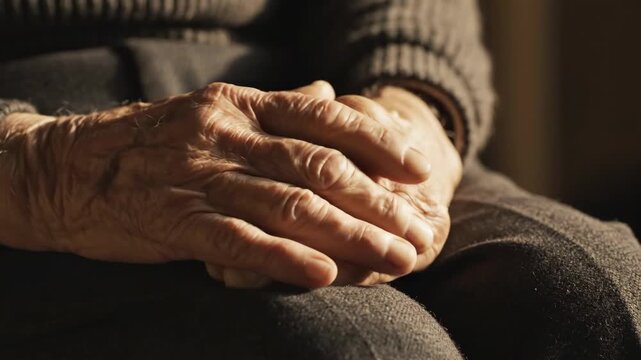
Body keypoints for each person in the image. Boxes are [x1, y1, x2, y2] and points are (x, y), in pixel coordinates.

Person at [0, 1, 639, 359]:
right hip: (31, 143)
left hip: (310, 97)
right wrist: (40, 173)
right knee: (356, 349)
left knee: (601, 293)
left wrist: (407, 120)